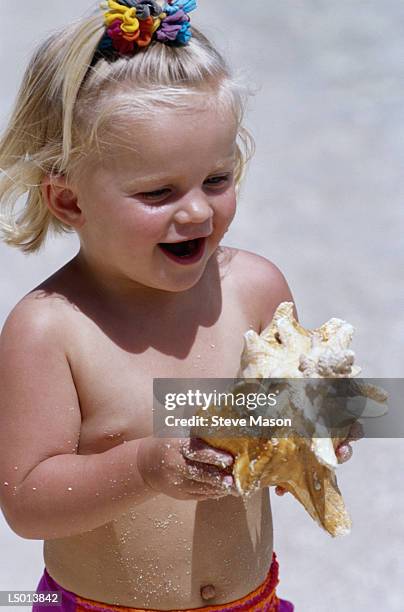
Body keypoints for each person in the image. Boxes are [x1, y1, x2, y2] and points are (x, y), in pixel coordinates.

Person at [0, 1, 358, 610]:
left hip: (253, 600)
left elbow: (302, 412)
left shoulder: (255, 289)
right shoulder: (51, 329)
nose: (195, 211)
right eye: (158, 192)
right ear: (68, 201)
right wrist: (144, 467)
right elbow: (26, 501)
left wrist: (319, 429)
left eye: (216, 180)